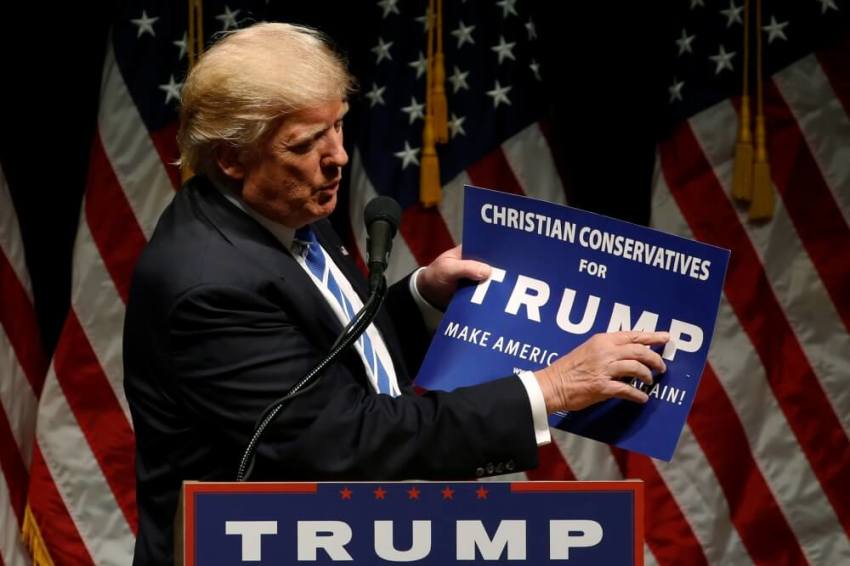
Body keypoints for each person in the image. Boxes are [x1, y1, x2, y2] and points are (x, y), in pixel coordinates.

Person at [123, 22, 669, 565]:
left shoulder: (279, 209)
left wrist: (423, 299)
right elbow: (349, 442)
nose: (336, 156)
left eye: (337, 125)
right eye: (306, 143)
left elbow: (330, 359)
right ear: (231, 158)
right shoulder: (209, 287)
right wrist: (552, 389)